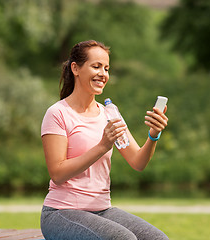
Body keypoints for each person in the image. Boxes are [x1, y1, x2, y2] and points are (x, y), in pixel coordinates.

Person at [40, 40, 169, 240]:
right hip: (61, 213)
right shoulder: (57, 114)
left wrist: (153, 135)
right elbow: (57, 173)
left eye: (106, 68)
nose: (103, 74)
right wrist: (102, 146)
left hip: (102, 210)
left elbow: (138, 162)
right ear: (75, 68)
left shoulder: (110, 113)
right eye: (96, 66)